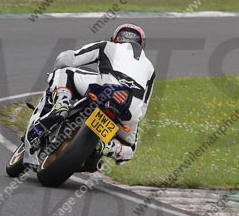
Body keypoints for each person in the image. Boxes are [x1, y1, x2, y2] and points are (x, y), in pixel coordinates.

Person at [25, 23, 155, 167]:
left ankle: (61, 103)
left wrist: (59, 63)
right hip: (129, 112)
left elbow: (71, 59)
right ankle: (109, 147)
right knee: (130, 148)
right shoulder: (150, 68)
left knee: (65, 72)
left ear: (115, 38)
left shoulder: (107, 46)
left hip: (105, 93)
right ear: (142, 45)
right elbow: (143, 107)